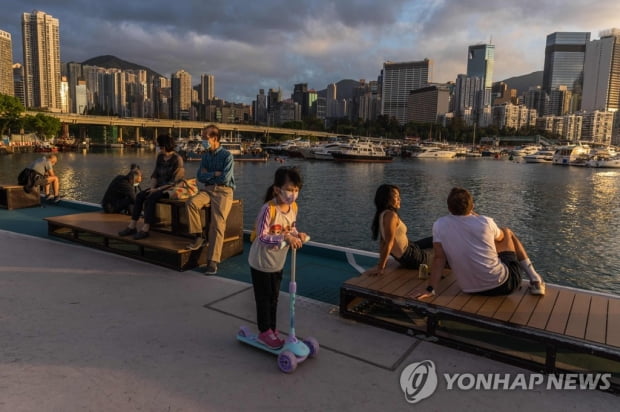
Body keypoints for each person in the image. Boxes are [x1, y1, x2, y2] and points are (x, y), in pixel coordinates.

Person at [414, 187, 546, 300]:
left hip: (469, 288)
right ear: (472, 207)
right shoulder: (485, 222)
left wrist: (430, 289)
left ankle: (533, 278)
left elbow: (439, 259)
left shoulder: (439, 225)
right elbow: (501, 239)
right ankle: (535, 279)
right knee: (507, 232)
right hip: (505, 284)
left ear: (448, 207)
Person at [248, 166, 308, 349]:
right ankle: (264, 331)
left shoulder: (293, 207)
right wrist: (285, 237)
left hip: (277, 261)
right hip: (261, 262)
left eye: (296, 190)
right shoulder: (268, 209)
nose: (293, 194)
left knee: (274, 297)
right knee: (264, 298)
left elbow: (291, 228)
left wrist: (297, 235)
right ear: (277, 189)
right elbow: (263, 236)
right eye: (289, 189)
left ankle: (272, 329)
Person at [184, 125, 235, 275]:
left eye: (205, 137)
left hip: (224, 191)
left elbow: (225, 177)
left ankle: (212, 261)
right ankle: (199, 236)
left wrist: (209, 174)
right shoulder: (205, 156)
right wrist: (214, 173)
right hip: (208, 189)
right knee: (191, 203)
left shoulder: (227, 156)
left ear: (214, 138)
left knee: (218, 224)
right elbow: (200, 176)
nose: (203, 140)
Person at [118, 134, 184, 240]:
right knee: (140, 196)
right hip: (158, 187)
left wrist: (157, 190)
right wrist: (152, 188)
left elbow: (174, 182)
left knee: (151, 198)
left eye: (161, 147)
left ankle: (146, 228)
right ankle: (132, 225)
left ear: (166, 146)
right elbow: (155, 175)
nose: (159, 149)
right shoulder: (160, 157)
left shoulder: (177, 159)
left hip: (170, 189)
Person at [367, 184, 433, 276]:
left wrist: (381, 263)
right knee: (441, 246)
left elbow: (383, 242)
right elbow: (389, 243)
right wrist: (381, 268)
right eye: (396, 197)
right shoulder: (391, 216)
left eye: (399, 196)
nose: (399, 199)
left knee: (436, 239)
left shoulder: (382, 214)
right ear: (387, 199)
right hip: (411, 258)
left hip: (410, 249)